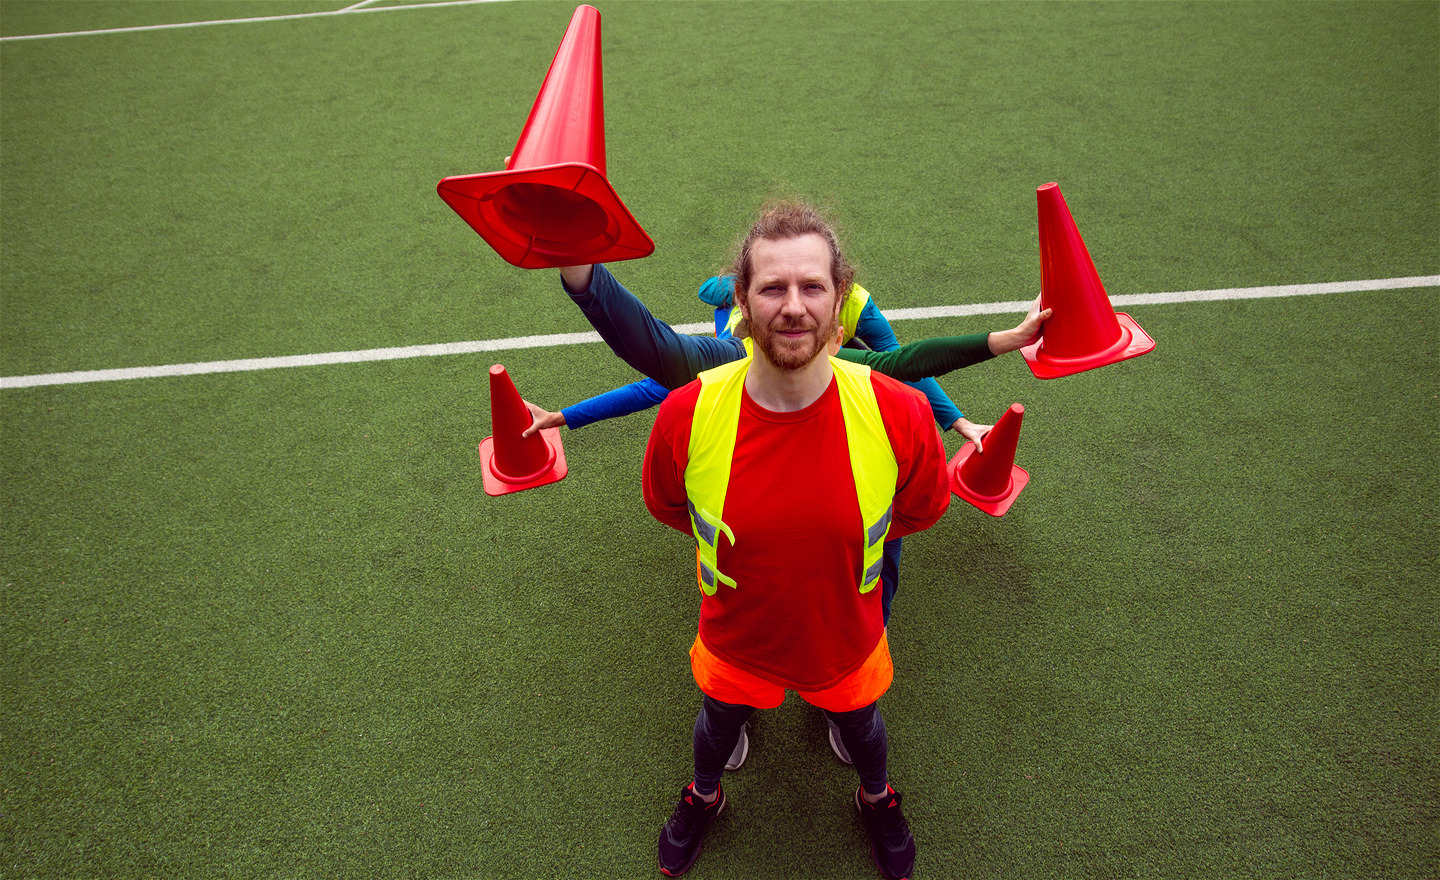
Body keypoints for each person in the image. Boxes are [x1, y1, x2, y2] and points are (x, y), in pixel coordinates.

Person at [558, 201, 963, 879]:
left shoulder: (900, 412)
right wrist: (576, 266)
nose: (794, 305)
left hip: (846, 635)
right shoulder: (691, 409)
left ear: (842, 303)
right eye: (773, 287)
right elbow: (668, 504)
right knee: (716, 727)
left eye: (813, 287)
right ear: (742, 301)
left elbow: (919, 511)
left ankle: (877, 797)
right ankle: (705, 795)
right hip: (735, 636)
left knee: (864, 729)